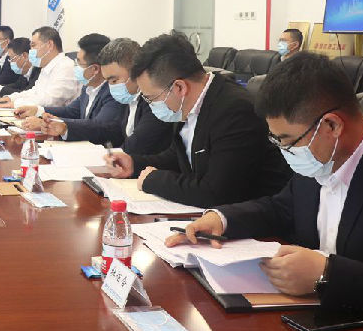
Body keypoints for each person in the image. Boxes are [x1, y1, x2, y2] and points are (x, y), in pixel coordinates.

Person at [167, 53, 363, 318]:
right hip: (306, 316)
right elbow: (282, 208)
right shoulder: (321, 155)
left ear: (332, 125)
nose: (284, 150)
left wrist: (327, 274)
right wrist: (222, 220)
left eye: (288, 140)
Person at [98, 32, 290, 208]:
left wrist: (154, 180)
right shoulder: (188, 103)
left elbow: (217, 193)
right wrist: (134, 163)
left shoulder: (234, 110)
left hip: (256, 220)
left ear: (179, 88)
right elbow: (180, 156)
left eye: (151, 98)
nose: (149, 104)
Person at [15, 33, 122, 141]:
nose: (75, 67)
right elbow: (71, 111)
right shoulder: (88, 87)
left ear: (95, 69)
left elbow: (99, 126)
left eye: (79, 63)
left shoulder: (112, 92)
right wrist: (38, 111)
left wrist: (62, 126)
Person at [97, 37, 173, 154]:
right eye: (108, 81)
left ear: (135, 70)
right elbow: (115, 131)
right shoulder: (130, 97)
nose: (111, 86)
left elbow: (137, 145)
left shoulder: (156, 100)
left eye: (114, 80)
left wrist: (114, 158)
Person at [0, 26, 79, 109]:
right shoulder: (46, 67)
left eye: (33, 45)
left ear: (49, 45)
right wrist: (10, 98)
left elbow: (52, 100)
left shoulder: (65, 66)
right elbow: (34, 92)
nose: (31, 50)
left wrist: (16, 103)